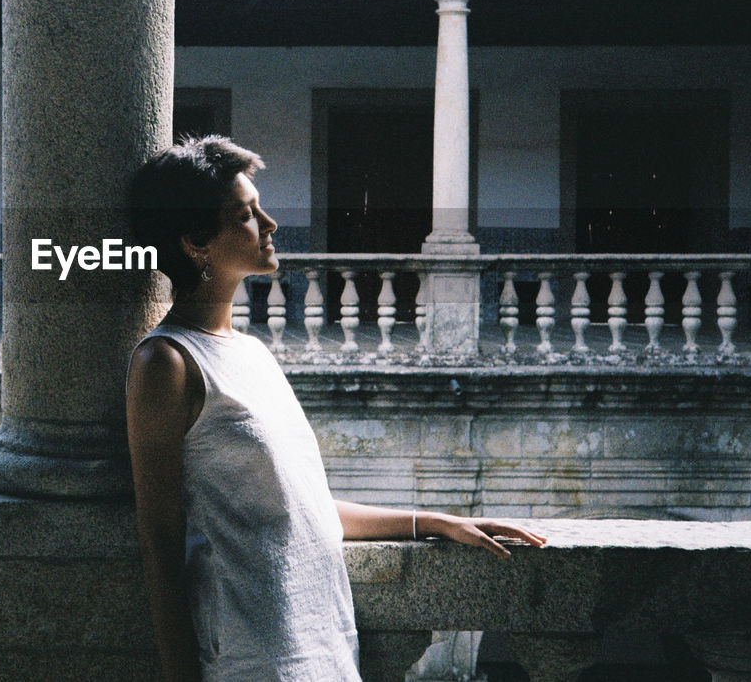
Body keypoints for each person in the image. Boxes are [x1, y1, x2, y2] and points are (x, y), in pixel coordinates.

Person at [126, 134, 547, 682]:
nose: (270, 223)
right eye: (246, 214)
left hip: (322, 637)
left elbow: (300, 507)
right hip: (253, 656)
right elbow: (158, 542)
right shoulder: (167, 363)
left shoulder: (252, 351)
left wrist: (432, 522)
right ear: (195, 242)